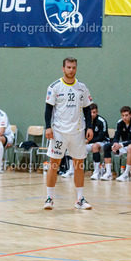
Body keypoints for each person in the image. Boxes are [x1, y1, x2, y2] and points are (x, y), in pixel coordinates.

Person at [44, 57, 94, 210]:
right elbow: (48, 109)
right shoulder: (55, 87)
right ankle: (49, 198)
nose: (71, 70)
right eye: (68, 67)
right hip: (59, 132)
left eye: (74, 67)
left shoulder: (82, 87)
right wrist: (48, 127)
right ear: (63, 68)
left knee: (79, 165)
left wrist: (89, 127)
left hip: (78, 132)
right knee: (54, 164)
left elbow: (87, 109)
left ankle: (80, 200)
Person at [97, 106, 131, 181]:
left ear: (130, 115)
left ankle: (126, 174)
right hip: (124, 144)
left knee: (130, 147)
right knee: (107, 146)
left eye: (126, 115)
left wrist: (121, 145)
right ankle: (108, 172)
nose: (124, 117)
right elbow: (116, 137)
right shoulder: (120, 123)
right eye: (123, 115)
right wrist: (115, 144)